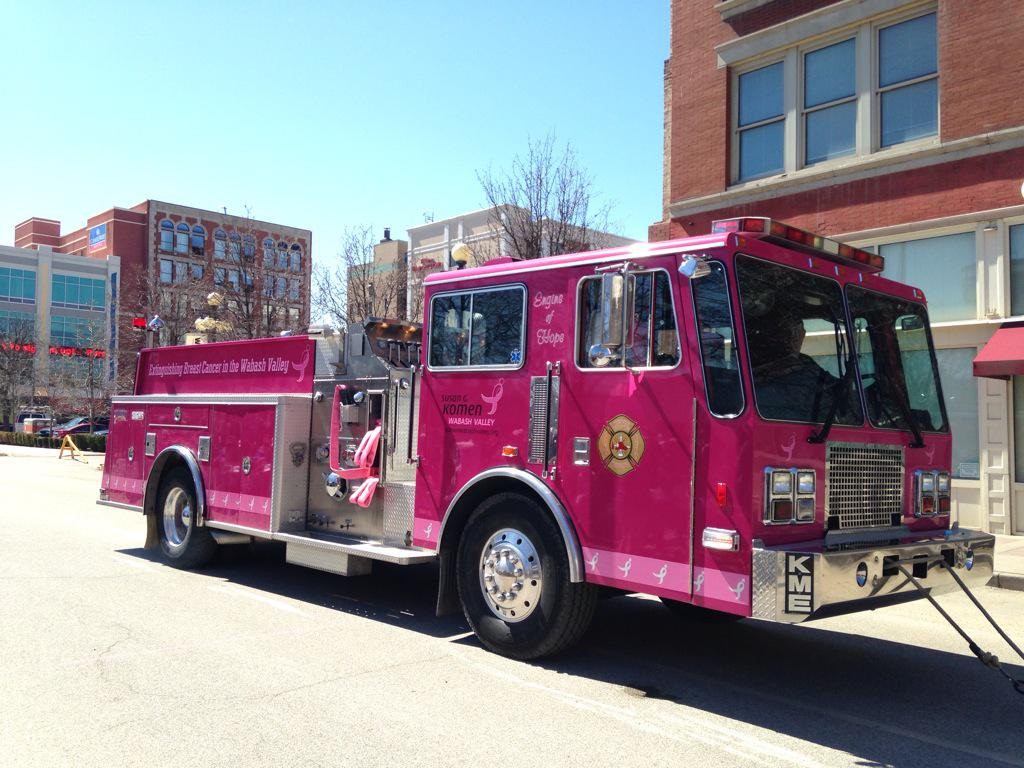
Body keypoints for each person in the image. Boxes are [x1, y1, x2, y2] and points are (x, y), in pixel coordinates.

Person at [748, 309, 839, 422]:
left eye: (802, 332)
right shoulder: (756, 370)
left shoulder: (806, 363)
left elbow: (831, 386)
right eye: (793, 332)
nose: (800, 337)